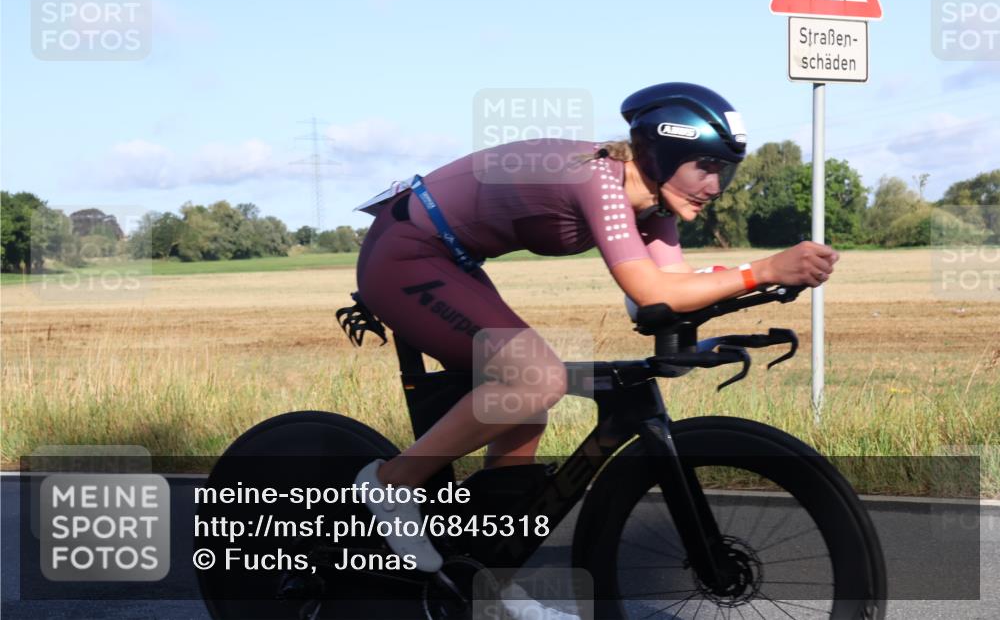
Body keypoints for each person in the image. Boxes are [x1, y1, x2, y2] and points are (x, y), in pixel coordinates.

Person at [351, 82, 839, 615]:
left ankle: (487, 585)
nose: (716, 184)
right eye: (706, 166)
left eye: (726, 170)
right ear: (664, 153)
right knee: (536, 380)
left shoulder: (655, 204)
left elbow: (665, 293)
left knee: (524, 409)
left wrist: (753, 287)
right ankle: (388, 482)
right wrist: (763, 268)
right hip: (405, 254)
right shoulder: (600, 180)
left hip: (450, 260)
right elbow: (652, 291)